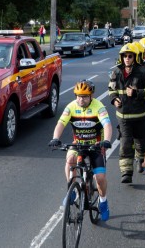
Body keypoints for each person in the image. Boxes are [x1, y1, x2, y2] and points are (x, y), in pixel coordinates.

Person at [48, 80, 113, 221]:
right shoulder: (71, 107)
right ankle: (72, 190)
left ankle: (103, 201)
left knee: (100, 178)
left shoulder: (99, 107)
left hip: (96, 146)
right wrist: (55, 137)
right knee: (70, 159)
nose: (80, 99)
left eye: (84, 96)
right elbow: (61, 123)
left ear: (91, 96)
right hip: (78, 144)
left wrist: (106, 140)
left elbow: (107, 125)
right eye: (78, 96)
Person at [109, 43, 145, 183]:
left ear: (135, 57)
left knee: (141, 143)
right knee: (125, 143)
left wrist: (137, 93)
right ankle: (126, 172)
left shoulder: (143, 72)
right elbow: (111, 88)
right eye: (125, 56)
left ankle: (141, 158)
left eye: (130, 56)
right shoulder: (116, 72)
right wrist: (114, 99)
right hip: (123, 117)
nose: (127, 58)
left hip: (140, 116)